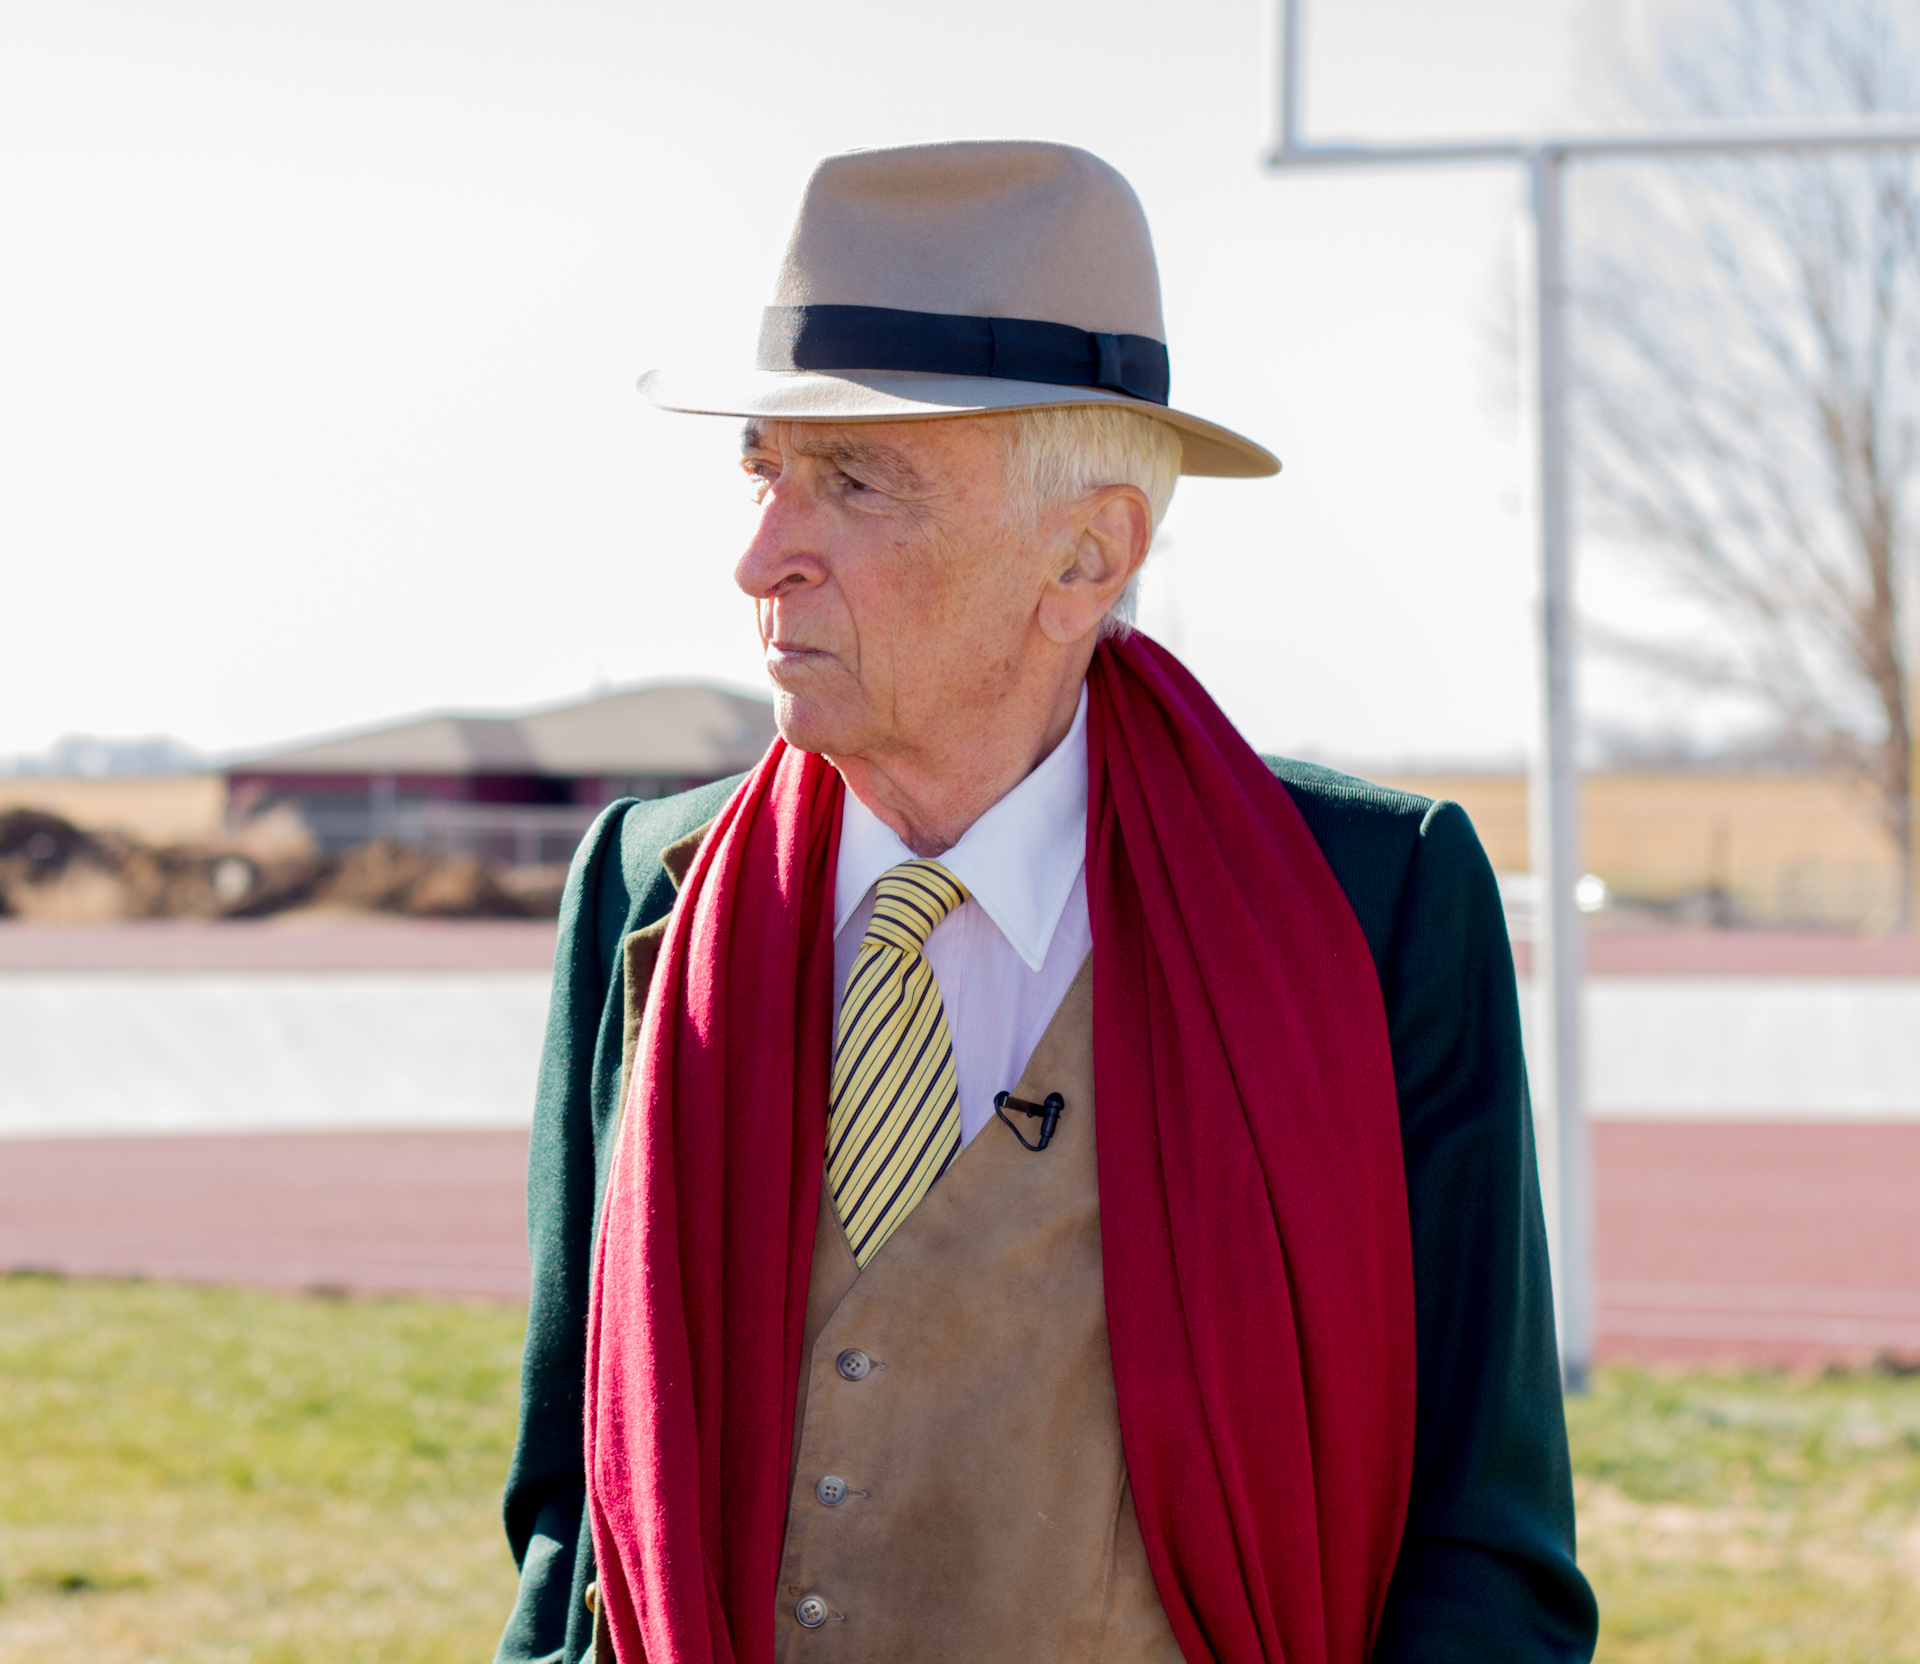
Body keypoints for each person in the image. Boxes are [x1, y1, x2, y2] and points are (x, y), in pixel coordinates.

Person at [494, 140, 1598, 1664]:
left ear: (1086, 553)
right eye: (763, 472)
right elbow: (576, 1520)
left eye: (853, 481)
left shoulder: (1375, 902)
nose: (761, 559)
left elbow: (1484, 1554)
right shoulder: (646, 892)